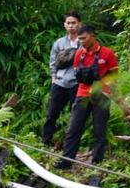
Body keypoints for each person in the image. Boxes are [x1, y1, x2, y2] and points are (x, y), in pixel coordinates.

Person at [53, 26, 119, 170]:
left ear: (92, 36)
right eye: (79, 39)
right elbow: (78, 75)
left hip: (102, 96)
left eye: (84, 38)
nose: (81, 41)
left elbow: (114, 76)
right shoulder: (79, 54)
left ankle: (97, 163)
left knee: (99, 131)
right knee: (73, 128)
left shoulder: (107, 53)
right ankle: (66, 160)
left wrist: (113, 94)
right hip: (83, 95)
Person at [41, 11, 82, 147]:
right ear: (64, 25)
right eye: (68, 23)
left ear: (79, 24)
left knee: (75, 116)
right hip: (59, 83)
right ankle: (45, 142)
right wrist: (53, 77)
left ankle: (71, 145)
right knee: (52, 114)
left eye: (73, 23)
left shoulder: (84, 42)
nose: (71, 25)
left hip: (77, 84)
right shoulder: (59, 43)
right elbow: (52, 62)